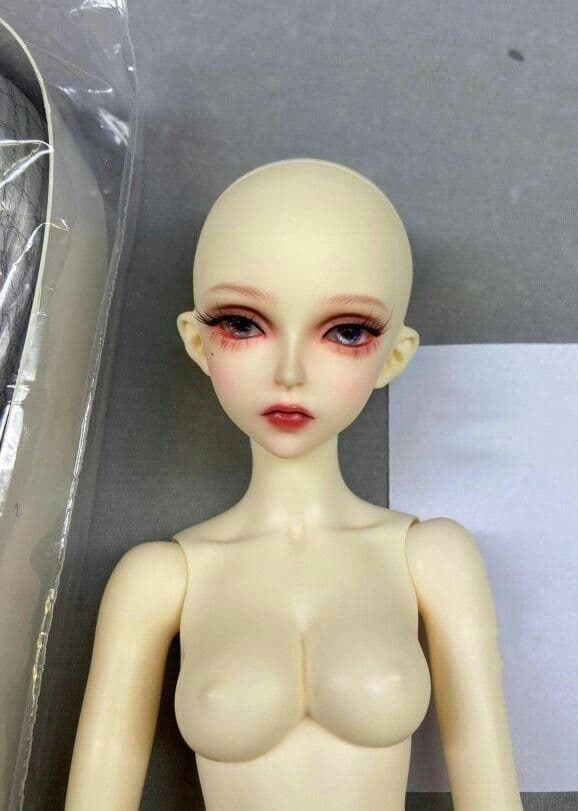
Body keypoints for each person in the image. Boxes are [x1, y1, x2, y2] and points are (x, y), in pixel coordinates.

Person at [65, 158, 523, 810]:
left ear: (394, 354)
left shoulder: (431, 558)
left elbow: (487, 776)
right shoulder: (160, 579)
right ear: (197, 342)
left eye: (346, 332)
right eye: (242, 324)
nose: (289, 372)